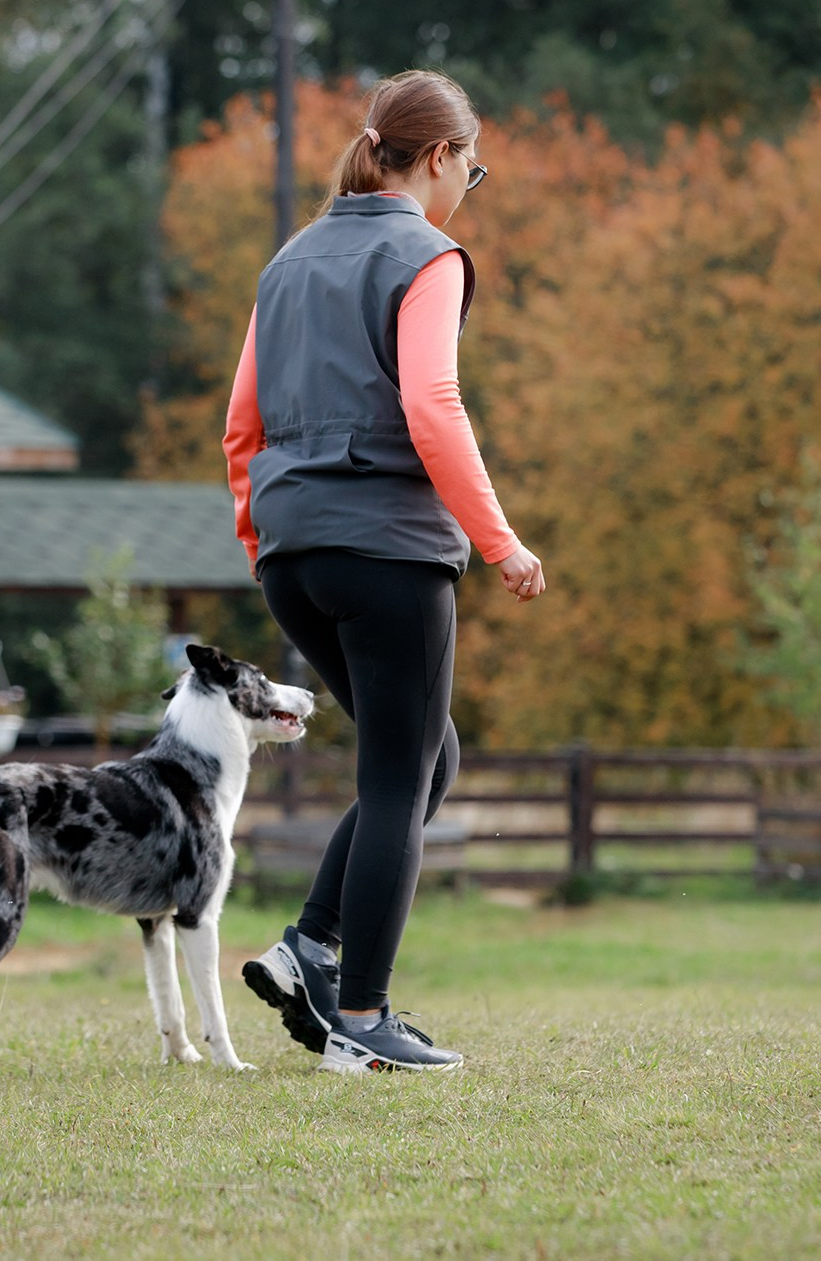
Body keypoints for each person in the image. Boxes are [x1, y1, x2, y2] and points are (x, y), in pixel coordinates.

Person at [229, 70, 545, 1074]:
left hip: (294, 554)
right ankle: (359, 1018)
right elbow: (432, 407)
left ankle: (308, 948)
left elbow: (241, 425)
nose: (466, 190)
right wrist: (499, 540)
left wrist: (265, 545)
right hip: (387, 550)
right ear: (440, 157)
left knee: (423, 756)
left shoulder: (287, 262)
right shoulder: (427, 254)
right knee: (401, 773)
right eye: (471, 170)